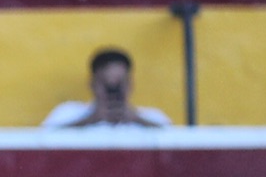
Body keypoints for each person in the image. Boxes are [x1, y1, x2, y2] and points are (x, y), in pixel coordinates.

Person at [42, 47, 172, 127]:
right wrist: (89, 120)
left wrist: (138, 120)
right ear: (92, 84)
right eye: (105, 84)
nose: (113, 89)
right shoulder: (67, 113)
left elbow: (176, 144)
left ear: (131, 84)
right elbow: (41, 142)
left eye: (120, 84)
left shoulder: (153, 117)